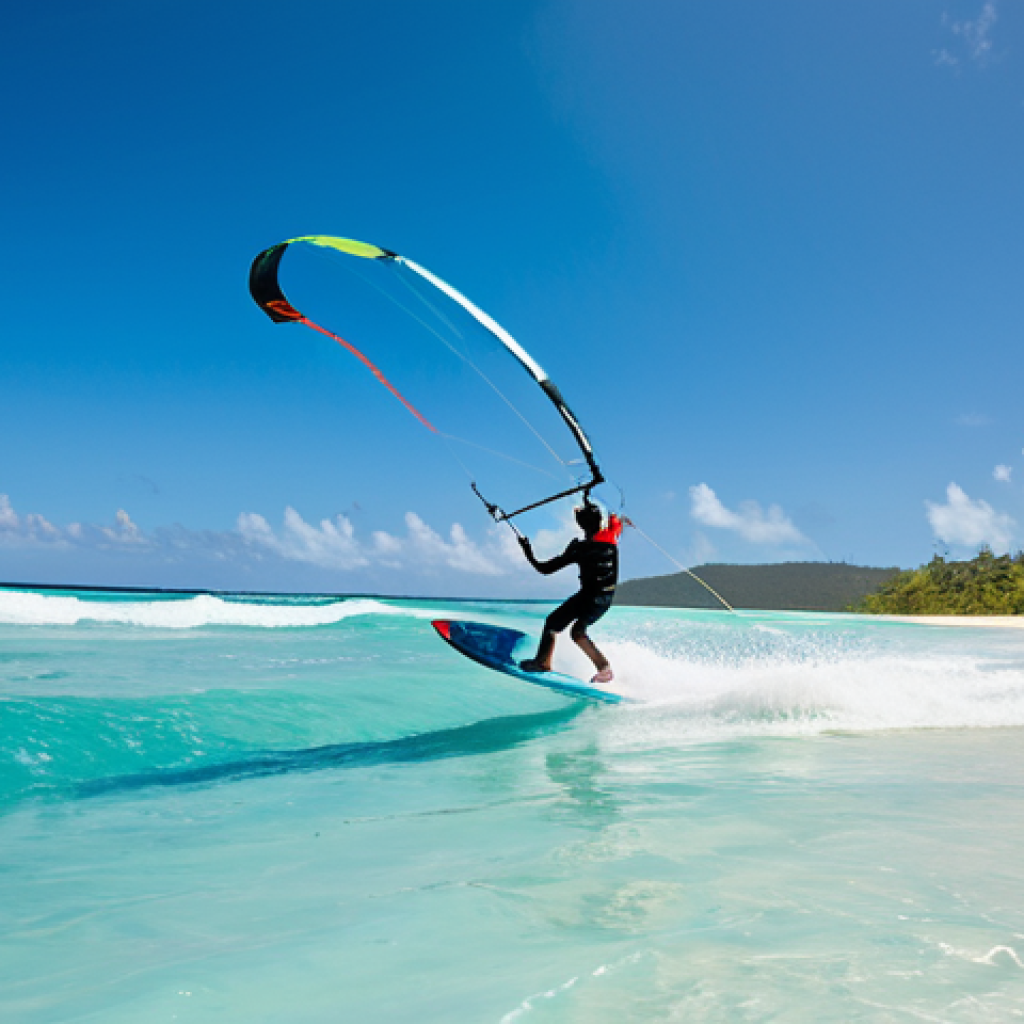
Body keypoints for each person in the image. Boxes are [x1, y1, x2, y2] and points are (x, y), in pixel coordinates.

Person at [517, 501, 629, 685]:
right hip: (603, 598)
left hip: (591, 598)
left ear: (581, 524)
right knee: (575, 631)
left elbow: (544, 569)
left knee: (557, 625)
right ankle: (604, 670)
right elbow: (614, 520)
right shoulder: (611, 538)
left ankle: (543, 663)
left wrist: (527, 551)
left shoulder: (580, 549)